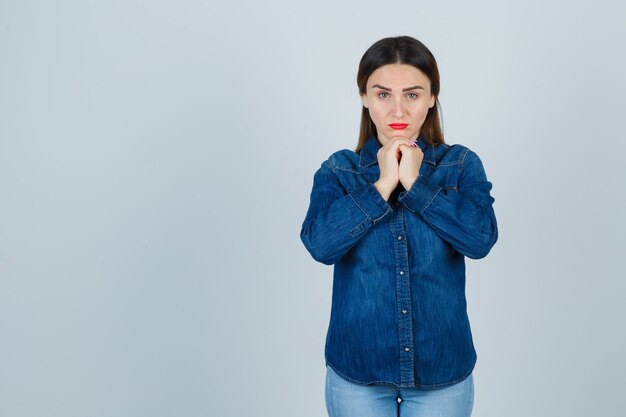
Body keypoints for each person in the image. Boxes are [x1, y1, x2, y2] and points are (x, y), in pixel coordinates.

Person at [299, 35, 498, 417]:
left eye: (412, 94)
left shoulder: (460, 165)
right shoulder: (340, 170)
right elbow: (320, 246)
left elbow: (481, 239)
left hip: (442, 371)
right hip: (357, 373)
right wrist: (383, 185)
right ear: (364, 97)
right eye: (382, 94)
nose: (397, 109)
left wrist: (417, 185)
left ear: (432, 97)